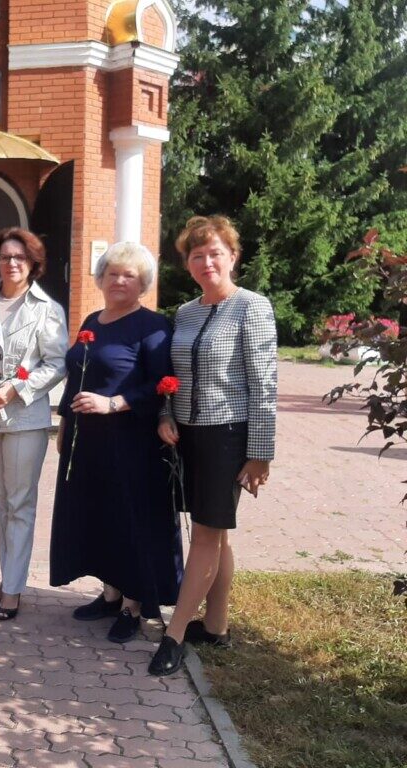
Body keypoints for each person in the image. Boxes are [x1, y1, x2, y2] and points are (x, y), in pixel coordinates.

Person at [149, 216, 277, 675]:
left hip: (229, 435)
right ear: (188, 264)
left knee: (205, 533)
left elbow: (264, 384)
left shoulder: (253, 308)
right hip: (187, 434)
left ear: (233, 256)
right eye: (197, 255)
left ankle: (176, 633)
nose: (207, 262)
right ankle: (217, 626)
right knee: (214, 531)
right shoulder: (185, 312)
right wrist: (165, 415)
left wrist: (261, 452)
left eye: (215, 253)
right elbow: (173, 379)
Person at [49, 242, 183, 643]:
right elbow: (77, 375)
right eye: (113, 273)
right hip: (86, 441)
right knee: (98, 515)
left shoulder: (154, 326)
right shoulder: (93, 318)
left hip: (130, 442)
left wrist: (114, 403)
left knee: (129, 520)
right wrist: (64, 423)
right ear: (101, 278)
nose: (120, 280)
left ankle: (133, 605)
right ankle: (109, 593)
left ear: (143, 283)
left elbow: (161, 384)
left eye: (130, 275)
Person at [0, 228, 66, 621]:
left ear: (33, 263)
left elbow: (56, 364)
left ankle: (13, 590)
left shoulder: (46, 309)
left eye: (20, 257)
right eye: (5, 257)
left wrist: (18, 389)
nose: (12, 263)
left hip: (23, 418)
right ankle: (8, 579)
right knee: (1, 503)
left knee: (20, 503)